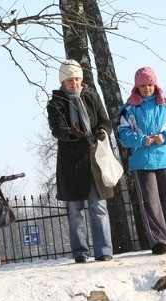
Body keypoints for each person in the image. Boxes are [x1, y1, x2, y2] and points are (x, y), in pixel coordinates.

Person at [46, 59, 114, 263]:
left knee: (98, 206)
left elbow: (105, 121)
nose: (73, 83)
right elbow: (57, 129)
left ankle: (104, 250)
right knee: (75, 210)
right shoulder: (56, 103)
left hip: (94, 160)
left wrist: (102, 131)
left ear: (81, 79)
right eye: (69, 80)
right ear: (63, 82)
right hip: (70, 163)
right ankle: (80, 252)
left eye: (76, 79)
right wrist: (74, 134)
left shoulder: (92, 97)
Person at [117, 66, 166, 255]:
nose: (147, 88)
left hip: (165, 158)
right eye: (143, 86)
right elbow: (123, 134)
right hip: (142, 161)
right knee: (150, 202)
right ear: (136, 87)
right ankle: (158, 240)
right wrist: (140, 140)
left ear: (155, 84)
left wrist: (165, 136)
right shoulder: (129, 109)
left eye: (150, 84)